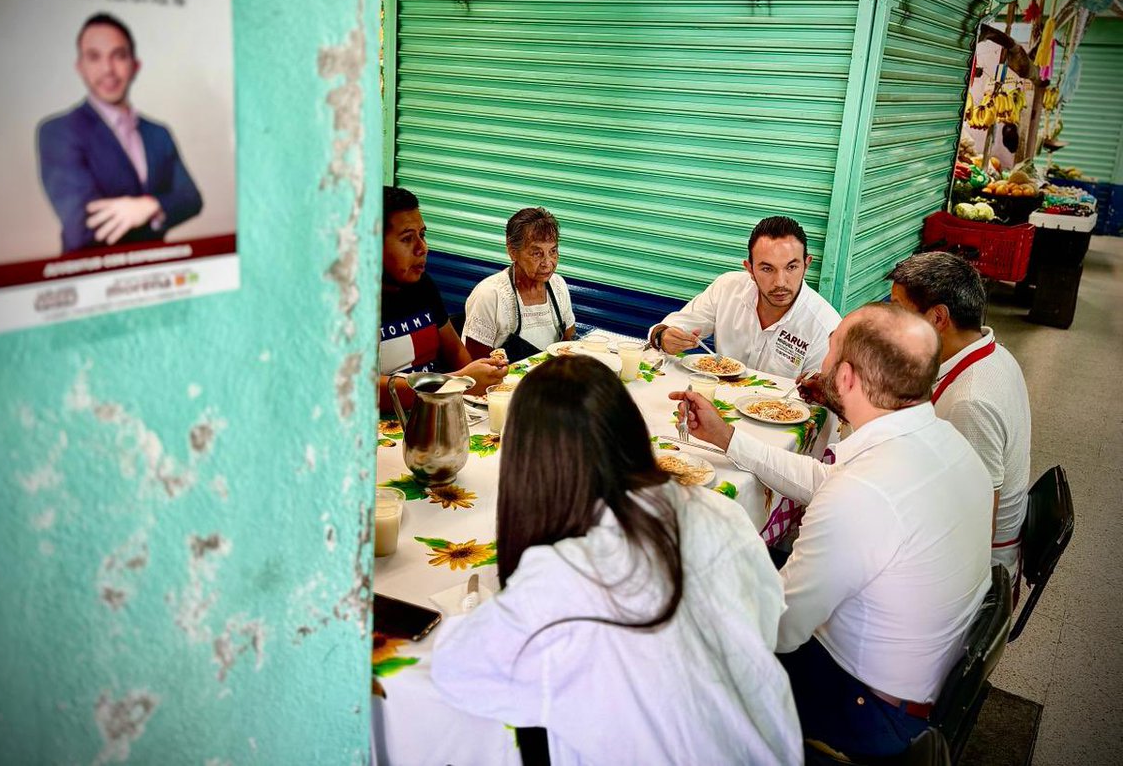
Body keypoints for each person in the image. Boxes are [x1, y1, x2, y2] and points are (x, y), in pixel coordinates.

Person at [430, 356, 803, 765]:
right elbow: (768, 621)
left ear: (529, 467)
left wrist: (487, 608)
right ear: (630, 432)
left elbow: (455, 672)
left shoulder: (561, 574)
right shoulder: (718, 510)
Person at [671, 303, 992, 758]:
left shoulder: (863, 495)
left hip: (868, 711)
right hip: (923, 679)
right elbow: (832, 485)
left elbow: (777, 629)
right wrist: (729, 439)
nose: (823, 357)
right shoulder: (947, 443)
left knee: (687, 620)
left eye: (831, 346)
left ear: (845, 380)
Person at [888, 252, 1031, 583]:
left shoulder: (971, 401)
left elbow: (974, 525)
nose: (892, 323)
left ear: (938, 318)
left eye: (899, 311)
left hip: (970, 571)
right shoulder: (988, 352)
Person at [37, 13, 203, 253]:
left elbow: (191, 199)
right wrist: (161, 208)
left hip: (156, 274)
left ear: (135, 66)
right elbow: (85, 227)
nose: (108, 70)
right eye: (94, 57)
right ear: (80, 67)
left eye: (119, 56)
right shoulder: (59, 131)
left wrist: (149, 206)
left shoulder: (159, 133)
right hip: (92, 277)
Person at [648, 216, 840, 377]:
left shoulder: (826, 327)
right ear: (750, 269)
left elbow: (820, 405)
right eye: (767, 268)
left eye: (791, 267)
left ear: (806, 265)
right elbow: (669, 328)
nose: (780, 282)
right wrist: (663, 336)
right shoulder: (727, 288)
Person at [379, 186, 506, 410]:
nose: (422, 247)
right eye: (407, 239)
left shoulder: (423, 285)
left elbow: (456, 351)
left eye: (423, 235)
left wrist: (482, 379)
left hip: (439, 412)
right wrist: (457, 382)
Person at [462, 207, 576, 362]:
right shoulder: (490, 295)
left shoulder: (558, 286)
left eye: (553, 251)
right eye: (537, 253)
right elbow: (475, 368)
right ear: (512, 252)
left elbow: (571, 344)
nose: (548, 263)